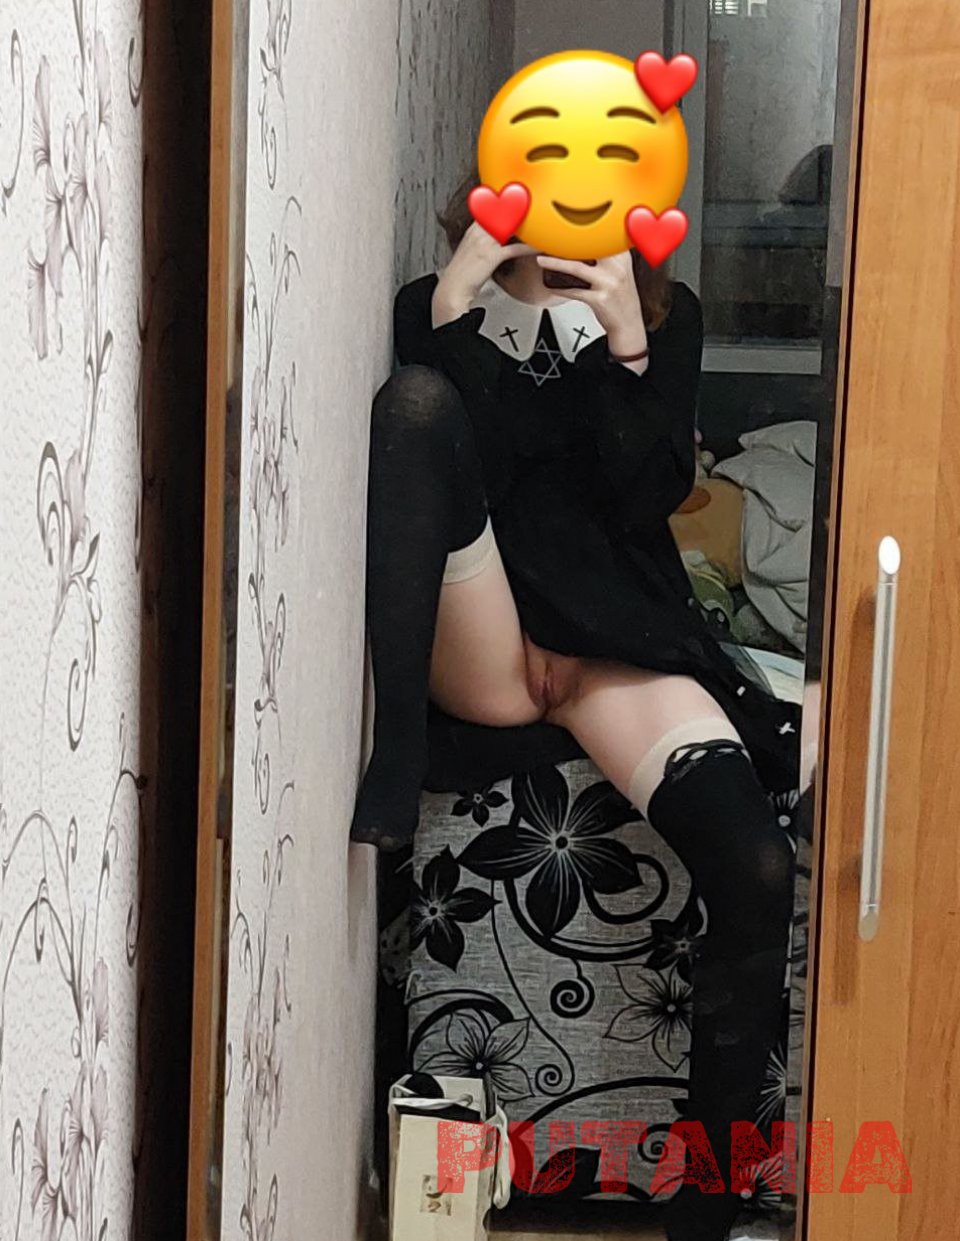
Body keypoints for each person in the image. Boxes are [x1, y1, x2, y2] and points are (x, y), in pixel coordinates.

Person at [352, 176, 802, 1241]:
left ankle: (714, 1184)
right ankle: (397, 754)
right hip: (493, 630)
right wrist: (457, 303)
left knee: (755, 864)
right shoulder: (433, 302)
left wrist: (627, 340)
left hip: (613, 639)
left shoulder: (669, 315)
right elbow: (478, 474)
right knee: (414, 404)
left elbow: (645, 497)